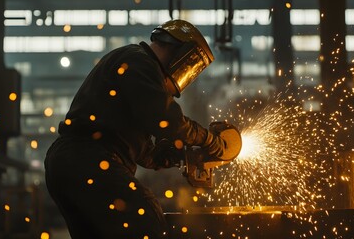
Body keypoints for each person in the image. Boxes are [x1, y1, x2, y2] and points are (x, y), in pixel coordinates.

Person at [44, 19, 228, 239]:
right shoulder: (139, 62)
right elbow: (167, 120)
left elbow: (143, 153)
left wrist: (181, 155)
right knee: (146, 217)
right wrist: (209, 139)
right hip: (88, 161)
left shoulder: (135, 68)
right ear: (178, 50)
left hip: (72, 163)